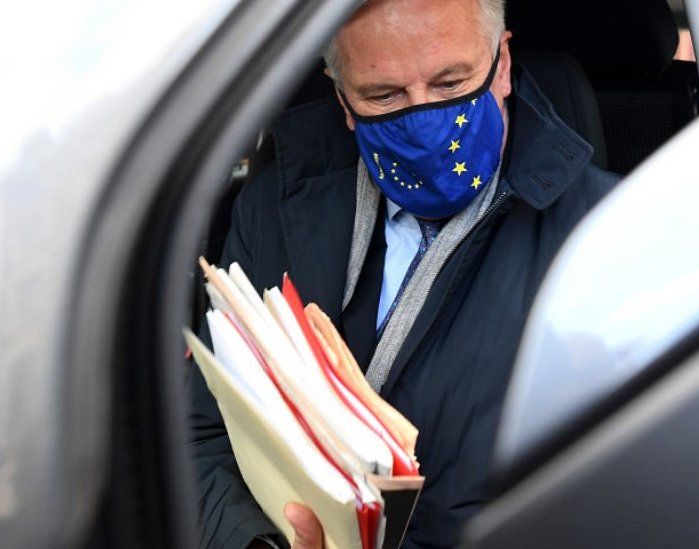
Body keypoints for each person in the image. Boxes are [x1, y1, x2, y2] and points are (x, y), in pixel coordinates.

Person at [188, 0, 620, 547]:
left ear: (502, 64)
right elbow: (203, 431)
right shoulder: (273, 208)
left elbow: (631, 493)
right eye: (384, 95)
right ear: (342, 98)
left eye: (450, 84)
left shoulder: (606, 238)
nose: (423, 122)